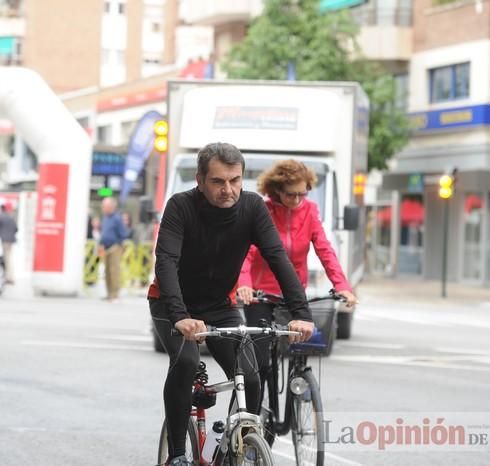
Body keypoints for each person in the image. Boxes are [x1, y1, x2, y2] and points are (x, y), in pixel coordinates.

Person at [149, 142, 315, 466]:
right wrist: (180, 316)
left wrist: (302, 314)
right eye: (218, 181)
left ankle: (233, 449)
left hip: (219, 305)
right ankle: (179, 456)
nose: (228, 189)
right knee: (185, 363)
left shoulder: (253, 208)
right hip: (172, 305)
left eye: (235, 180)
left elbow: (278, 259)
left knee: (251, 378)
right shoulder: (180, 207)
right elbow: (165, 261)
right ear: (199, 180)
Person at [237, 159, 358, 397]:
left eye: (302, 194)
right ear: (276, 190)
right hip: (262, 293)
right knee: (258, 361)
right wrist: (244, 284)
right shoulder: (264, 210)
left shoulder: (310, 210)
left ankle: (298, 387)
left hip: (294, 293)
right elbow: (248, 252)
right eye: (290, 194)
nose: (296, 200)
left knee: (303, 348)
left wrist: (342, 286)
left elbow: (324, 249)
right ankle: (252, 414)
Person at [99, 197, 130, 300]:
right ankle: (109, 293)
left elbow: (123, 233)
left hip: (115, 247)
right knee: (107, 271)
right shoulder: (105, 218)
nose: (103, 208)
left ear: (111, 207)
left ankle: (115, 293)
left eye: (105, 206)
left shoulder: (117, 218)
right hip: (106, 247)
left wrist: (118, 244)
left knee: (114, 271)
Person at [0, 203, 18, 284]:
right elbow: (16, 229)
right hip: (10, 241)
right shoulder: (11, 217)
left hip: (3, 241)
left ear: (1, 209)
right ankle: (11, 277)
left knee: (4, 259)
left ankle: (6, 277)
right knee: (9, 259)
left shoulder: (0, 216)